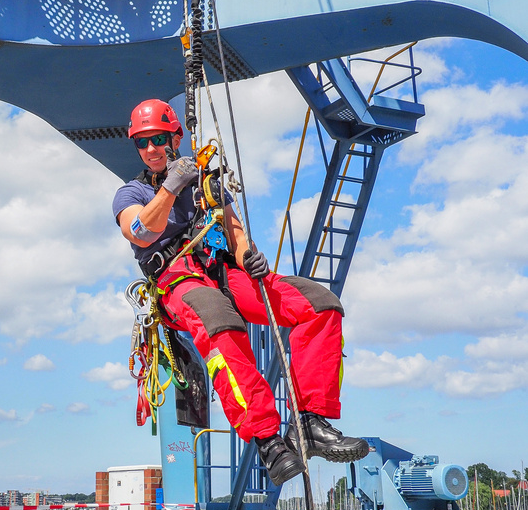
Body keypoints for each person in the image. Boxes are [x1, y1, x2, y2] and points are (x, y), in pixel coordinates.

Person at [112, 98, 369, 487]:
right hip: (179, 283)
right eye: (142, 142)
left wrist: (249, 256)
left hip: (225, 272)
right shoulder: (131, 195)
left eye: (159, 139)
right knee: (217, 319)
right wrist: (170, 187)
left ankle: (310, 423)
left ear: (175, 137)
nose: (151, 149)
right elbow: (140, 232)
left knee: (320, 305)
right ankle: (267, 439)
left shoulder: (206, 186)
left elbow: (233, 229)